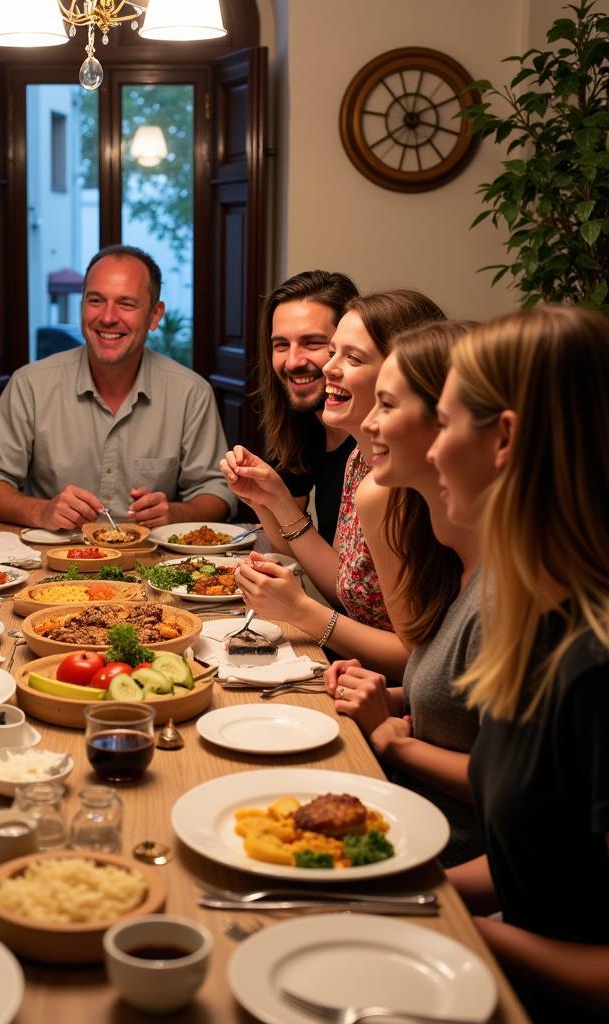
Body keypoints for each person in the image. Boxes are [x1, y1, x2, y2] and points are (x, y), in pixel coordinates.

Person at [436, 307, 609, 1020]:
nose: (435, 448)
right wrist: (415, 889)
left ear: (503, 437)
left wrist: (455, 932)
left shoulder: (594, 670)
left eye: (446, 424)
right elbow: (541, 865)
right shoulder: (530, 615)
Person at [324, 321, 482, 865]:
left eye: (387, 404)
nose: (367, 422)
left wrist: (390, 736)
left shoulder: (509, 596)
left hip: (431, 849)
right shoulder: (458, 564)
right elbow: (452, 709)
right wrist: (384, 701)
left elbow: (527, 808)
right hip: (398, 818)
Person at [225, 290, 445, 680]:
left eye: (353, 357)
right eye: (332, 352)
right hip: (359, 674)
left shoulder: (399, 484)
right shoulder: (360, 459)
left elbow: (416, 660)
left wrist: (300, 610)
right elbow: (346, 584)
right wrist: (273, 498)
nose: (328, 368)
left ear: (402, 375)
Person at [0, 244, 236, 529]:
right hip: (52, 562)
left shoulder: (191, 393)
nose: (107, 317)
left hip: (155, 564)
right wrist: (41, 511)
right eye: (95, 300)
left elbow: (217, 491)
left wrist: (175, 515)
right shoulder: (30, 385)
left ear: (155, 316)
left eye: (126, 304)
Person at [256, 270, 359, 548]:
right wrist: (259, 499)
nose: (292, 361)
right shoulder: (304, 424)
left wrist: (274, 499)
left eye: (312, 342)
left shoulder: (369, 445)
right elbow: (289, 552)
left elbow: (345, 588)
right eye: (280, 345)